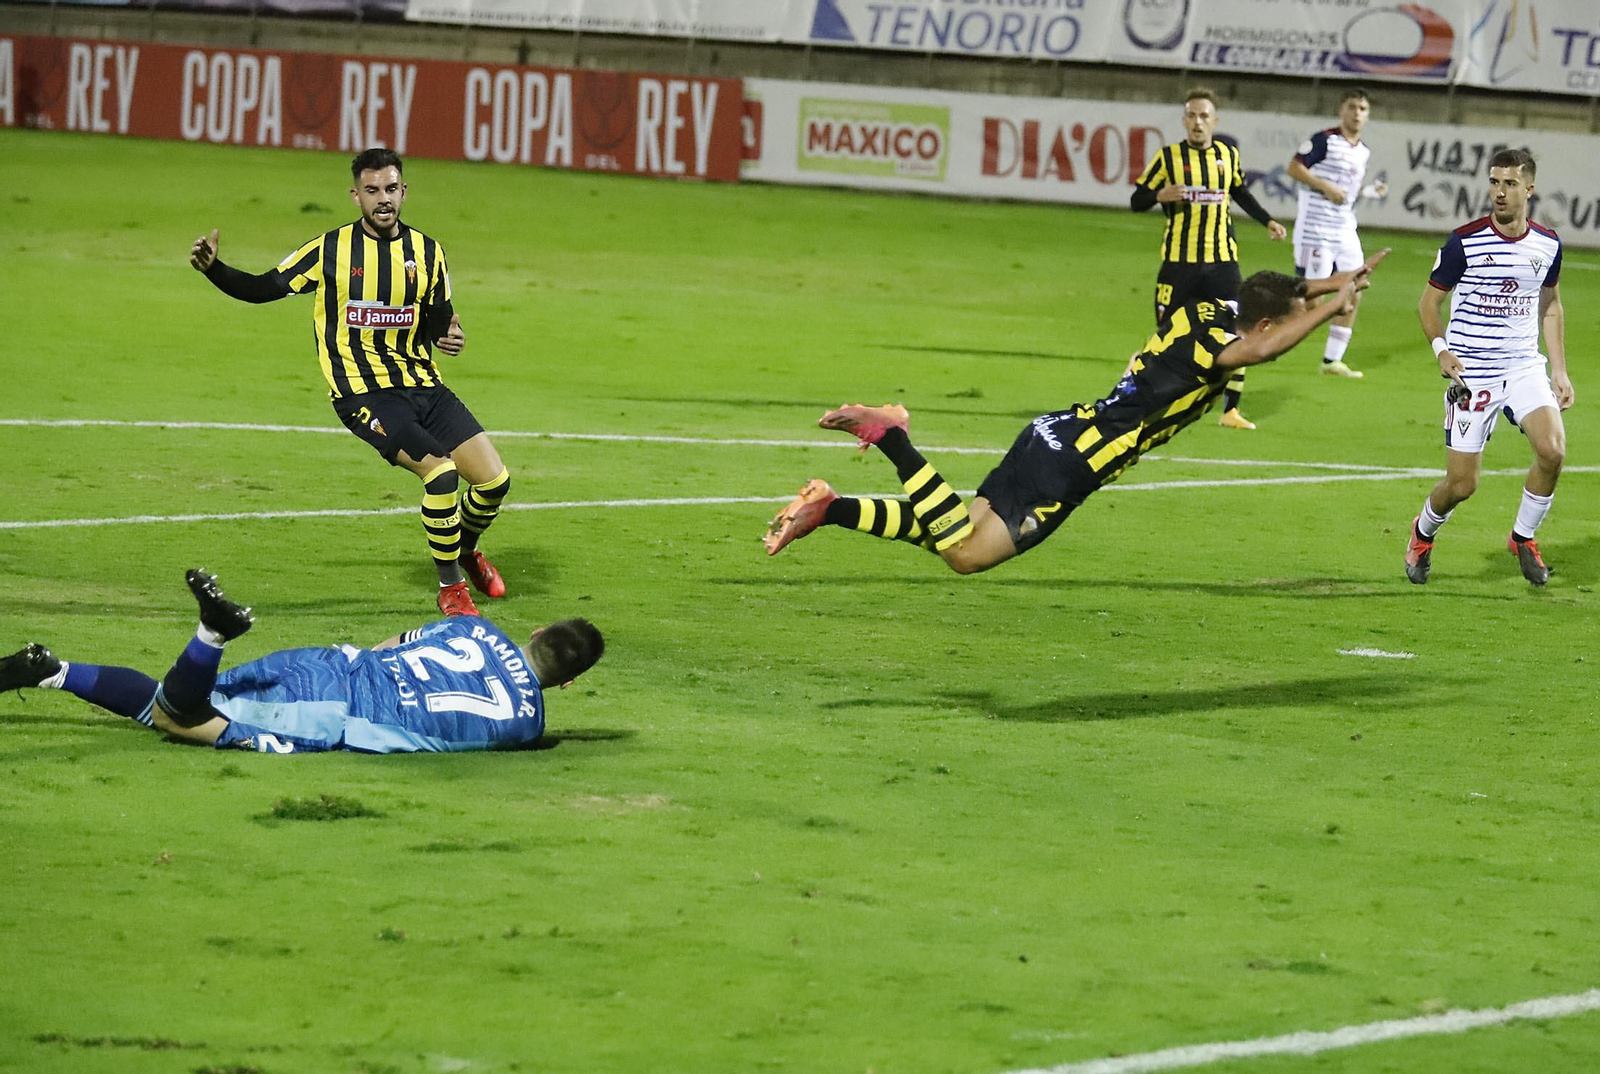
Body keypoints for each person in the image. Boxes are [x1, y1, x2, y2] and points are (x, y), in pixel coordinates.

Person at [765, 256, 1385, 573]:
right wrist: (1335, 308)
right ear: (1268, 323)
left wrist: (1336, 282)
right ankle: (894, 437)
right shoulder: (1221, 351)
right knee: (964, 553)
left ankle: (830, 508)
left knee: (952, 526)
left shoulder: (1207, 312)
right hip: (1075, 466)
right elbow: (1269, 342)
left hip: (1052, 431)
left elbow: (1275, 294)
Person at [190, 148, 511, 618]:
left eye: (391, 189)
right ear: (356, 195)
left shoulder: (428, 252)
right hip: (364, 394)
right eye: (372, 191)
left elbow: (438, 319)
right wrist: (215, 269)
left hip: (424, 385)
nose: (384, 200)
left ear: (404, 191)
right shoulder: (330, 250)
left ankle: (464, 550)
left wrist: (449, 336)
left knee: (494, 483)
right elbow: (264, 288)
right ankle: (451, 588)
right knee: (440, 476)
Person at [0, 570, 603, 753]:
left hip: (332, 666)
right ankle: (210, 633)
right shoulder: (529, 726)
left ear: (538, 629)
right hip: (337, 714)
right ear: (568, 681)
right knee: (183, 719)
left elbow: (390, 646)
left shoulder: (471, 626)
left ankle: (49, 670)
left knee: (173, 704)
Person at [1405, 149, 1570, 587]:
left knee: (1553, 450)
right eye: (1494, 182)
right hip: (1471, 373)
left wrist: (1559, 370)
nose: (1499, 192)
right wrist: (1442, 350)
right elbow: (1428, 303)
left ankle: (1523, 537)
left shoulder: (1547, 244)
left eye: (1510, 184)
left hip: (1521, 366)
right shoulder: (1464, 241)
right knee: (1462, 485)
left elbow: (1550, 305)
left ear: (1529, 189)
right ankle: (1422, 533)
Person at [1131, 87, 1288, 430]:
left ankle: (1230, 410)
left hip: (1222, 263)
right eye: (1192, 115)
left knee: (1240, 329)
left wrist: (1268, 221)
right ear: (1184, 121)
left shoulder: (1227, 156)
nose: (1198, 122)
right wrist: (1159, 194)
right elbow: (1137, 200)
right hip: (1179, 264)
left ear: (1214, 121)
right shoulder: (1168, 158)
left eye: (1204, 116)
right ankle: (1141, 400)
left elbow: (1239, 192)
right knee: (1165, 335)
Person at [1286, 86, 1387, 378]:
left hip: (1344, 230)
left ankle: (1332, 360)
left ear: (1367, 115)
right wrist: (1325, 187)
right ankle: (1262, 326)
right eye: (1352, 107)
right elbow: (1294, 168)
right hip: (1315, 230)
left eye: (1362, 109)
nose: (1357, 113)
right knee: (1312, 298)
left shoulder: (1363, 151)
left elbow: (1348, 194)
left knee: (1355, 286)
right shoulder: (1325, 141)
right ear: (1341, 110)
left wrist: (1369, 191)